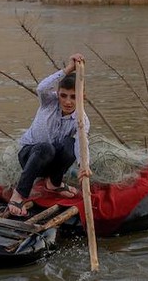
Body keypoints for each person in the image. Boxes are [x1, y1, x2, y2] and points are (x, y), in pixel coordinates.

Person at [7, 52, 92, 217]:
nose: (68, 102)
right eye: (64, 96)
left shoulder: (82, 120)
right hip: (31, 156)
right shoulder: (49, 102)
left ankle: (53, 182)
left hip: (52, 162)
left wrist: (84, 166)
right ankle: (19, 194)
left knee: (69, 144)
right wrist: (68, 69)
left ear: (82, 98)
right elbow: (41, 87)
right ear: (58, 94)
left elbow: (81, 144)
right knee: (46, 148)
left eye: (74, 97)